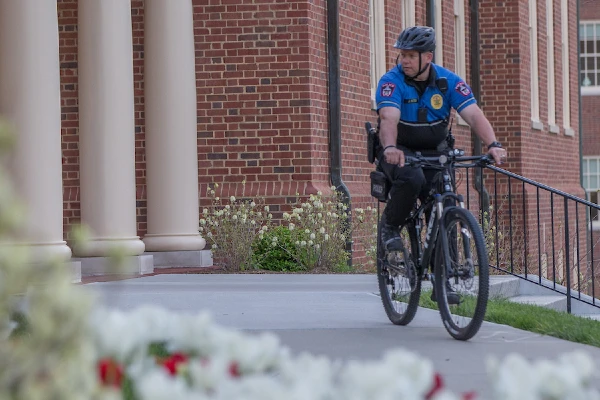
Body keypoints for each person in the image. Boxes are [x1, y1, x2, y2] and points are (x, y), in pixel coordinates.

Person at [375, 26, 507, 302]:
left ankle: (444, 280)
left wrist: (492, 144)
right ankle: (390, 226)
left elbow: (473, 115)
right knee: (413, 180)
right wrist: (389, 148)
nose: (404, 61)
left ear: (428, 57)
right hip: (400, 152)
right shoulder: (392, 81)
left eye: (411, 55)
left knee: (447, 203)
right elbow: (388, 118)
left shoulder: (448, 82)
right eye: (402, 55)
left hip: (437, 154)